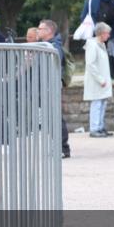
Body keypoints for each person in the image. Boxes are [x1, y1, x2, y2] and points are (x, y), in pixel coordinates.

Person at [37, 19, 71, 158]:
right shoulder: (48, 45)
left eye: (40, 28)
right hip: (47, 85)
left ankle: (62, 148)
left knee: (56, 117)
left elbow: (53, 63)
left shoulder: (54, 46)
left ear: (48, 31)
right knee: (52, 117)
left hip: (51, 86)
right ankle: (58, 146)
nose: (37, 31)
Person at [80, 0, 114, 79]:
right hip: (108, 32)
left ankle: (98, 75)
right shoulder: (110, 0)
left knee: (94, 54)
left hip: (95, 31)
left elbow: (83, 16)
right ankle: (112, 73)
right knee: (108, 52)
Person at [84, 22, 113, 137]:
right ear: (101, 33)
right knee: (96, 104)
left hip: (103, 81)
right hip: (97, 81)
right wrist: (100, 80)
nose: (109, 35)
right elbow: (90, 64)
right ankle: (94, 128)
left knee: (103, 103)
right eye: (107, 33)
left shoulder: (101, 44)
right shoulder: (92, 44)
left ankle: (100, 127)